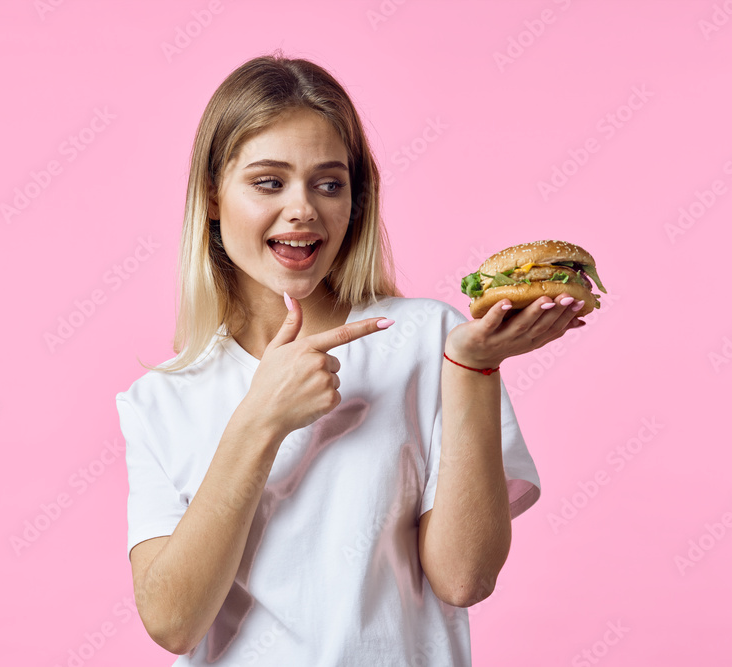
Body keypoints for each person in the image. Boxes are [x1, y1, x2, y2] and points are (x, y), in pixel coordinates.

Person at [115, 51, 586, 666]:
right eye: (268, 181)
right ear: (211, 194)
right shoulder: (160, 400)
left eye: (329, 183)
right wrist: (261, 418)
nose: (303, 208)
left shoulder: (430, 339)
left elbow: (465, 578)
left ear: (354, 202)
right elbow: (174, 622)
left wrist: (474, 369)